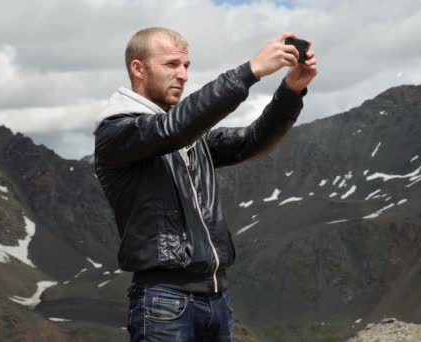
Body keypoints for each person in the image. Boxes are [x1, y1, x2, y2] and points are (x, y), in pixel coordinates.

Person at [94, 27, 317, 341]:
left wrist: (291, 92)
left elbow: (250, 141)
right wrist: (250, 71)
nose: (183, 75)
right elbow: (172, 128)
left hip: (216, 300)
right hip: (164, 303)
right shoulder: (118, 131)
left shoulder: (188, 136)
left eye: (186, 66)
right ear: (139, 68)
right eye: (172, 65)